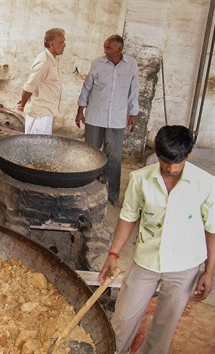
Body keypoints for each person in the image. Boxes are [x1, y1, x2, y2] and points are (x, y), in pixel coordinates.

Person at [99, 125, 214, 354]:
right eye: (165, 161)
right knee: (122, 321)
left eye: (177, 161)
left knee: (164, 327)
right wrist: (113, 254)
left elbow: (212, 228)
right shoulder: (140, 179)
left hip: (185, 266)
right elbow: (128, 216)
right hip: (146, 261)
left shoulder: (206, 183)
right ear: (158, 155)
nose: (171, 168)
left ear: (187, 155)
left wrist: (209, 271)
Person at [76, 35, 139, 208]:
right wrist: (80, 109)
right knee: (90, 153)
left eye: (109, 48)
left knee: (114, 158)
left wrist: (133, 113)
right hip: (95, 116)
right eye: (105, 47)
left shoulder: (131, 65)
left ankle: (112, 194)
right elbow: (87, 87)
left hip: (117, 118)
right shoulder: (98, 63)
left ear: (120, 49)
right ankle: (86, 189)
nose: (105, 51)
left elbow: (134, 91)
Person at [17, 28, 66, 135]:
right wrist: (23, 103)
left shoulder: (54, 58)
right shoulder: (44, 61)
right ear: (52, 44)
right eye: (62, 42)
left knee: (38, 146)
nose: (64, 45)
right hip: (40, 114)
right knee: (35, 147)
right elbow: (29, 86)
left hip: (45, 112)